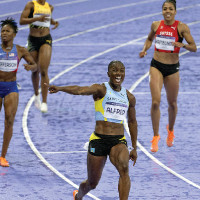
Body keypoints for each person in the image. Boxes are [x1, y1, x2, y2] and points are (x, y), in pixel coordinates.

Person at [47, 61, 138, 200]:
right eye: (114, 70)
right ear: (108, 74)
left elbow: (132, 122)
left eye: (121, 70)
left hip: (118, 141)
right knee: (92, 183)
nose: (118, 73)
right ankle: (78, 196)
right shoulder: (101, 89)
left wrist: (134, 147)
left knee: (124, 169)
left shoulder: (129, 97)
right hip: (99, 140)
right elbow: (80, 90)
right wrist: (60, 88)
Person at [139, 0, 197, 152]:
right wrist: (145, 49)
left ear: (175, 11)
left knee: (172, 103)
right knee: (155, 102)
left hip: (172, 69)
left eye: (170, 9)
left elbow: (194, 47)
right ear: (162, 11)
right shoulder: (156, 25)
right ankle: (155, 136)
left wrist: (182, 45)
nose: (167, 11)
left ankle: (170, 131)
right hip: (156, 66)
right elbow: (149, 39)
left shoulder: (181, 27)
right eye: (165, 9)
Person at [0, 18, 37, 167]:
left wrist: (31, 67)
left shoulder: (20, 50)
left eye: (7, 31)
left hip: (11, 88)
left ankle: (2, 156)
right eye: (2, 31)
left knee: (9, 120)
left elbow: (35, 65)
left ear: (14, 34)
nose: (4, 33)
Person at [19, 0, 59, 112]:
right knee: (34, 70)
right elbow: (22, 21)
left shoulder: (50, 7)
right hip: (33, 40)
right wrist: (36, 19)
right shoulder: (31, 5)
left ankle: (45, 102)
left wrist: (54, 22)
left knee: (44, 71)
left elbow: (46, 20)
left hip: (45, 39)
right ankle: (36, 95)